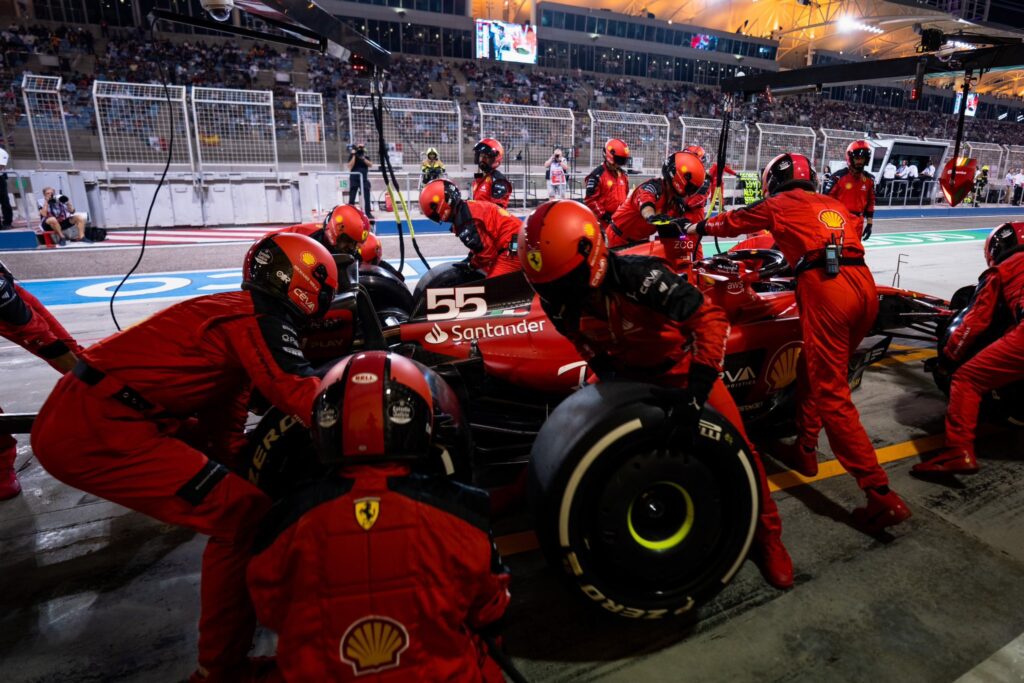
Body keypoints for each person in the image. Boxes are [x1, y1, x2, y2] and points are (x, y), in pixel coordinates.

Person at [31, 233, 339, 682]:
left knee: (245, 497)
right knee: (240, 514)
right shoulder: (256, 319)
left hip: (97, 413)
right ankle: (221, 670)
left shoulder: (233, 318)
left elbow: (224, 436)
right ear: (302, 283)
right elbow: (308, 398)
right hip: (98, 428)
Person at [519, 199, 793, 588]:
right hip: (623, 377)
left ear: (591, 255)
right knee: (566, 436)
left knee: (742, 451)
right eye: (545, 286)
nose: (556, 294)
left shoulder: (641, 277)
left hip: (681, 372)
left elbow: (711, 321)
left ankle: (768, 538)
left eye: (563, 282)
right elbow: (583, 345)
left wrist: (698, 392)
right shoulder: (555, 301)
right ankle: (541, 492)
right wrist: (607, 375)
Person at [247, 351, 511, 682]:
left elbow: (270, 608)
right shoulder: (462, 512)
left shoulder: (284, 522)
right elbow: (491, 606)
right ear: (419, 422)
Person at [689, 153, 912, 533]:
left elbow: (733, 223)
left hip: (827, 288)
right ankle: (806, 449)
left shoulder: (779, 203)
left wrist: (697, 228)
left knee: (832, 394)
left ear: (775, 180)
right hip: (863, 285)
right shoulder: (833, 202)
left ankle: (880, 495)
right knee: (816, 364)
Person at [912, 222, 1024, 476]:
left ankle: (957, 452)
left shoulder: (1004, 269)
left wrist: (948, 361)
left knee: (967, 380)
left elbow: (975, 322)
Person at [0, 258, 82, 499]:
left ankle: (128, 408)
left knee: (76, 357)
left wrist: (89, 378)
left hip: (7, 298)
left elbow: (36, 332)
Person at [607, 151, 707, 268]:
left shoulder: (676, 203)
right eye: (691, 188)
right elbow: (646, 204)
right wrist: (651, 216)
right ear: (679, 179)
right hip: (618, 240)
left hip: (639, 243)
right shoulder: (652, 187)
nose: (691, 193)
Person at [421, 179, 522, 278]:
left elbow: (487, 255)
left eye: (433, 214)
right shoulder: (466, 209)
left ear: (441, 206)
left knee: (493, 288)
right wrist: (470, 258)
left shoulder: (465, 221)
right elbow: (481, 243)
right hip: (516, 239)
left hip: (514, 245)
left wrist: (471, 265)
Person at [822, 140, 876, 240]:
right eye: (857, 158)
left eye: (862, 158)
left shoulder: (870, 180)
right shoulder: (837, 177)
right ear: (850, 158)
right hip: (838, 222)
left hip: (858, 223)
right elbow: (826, 201)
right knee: (835, 253)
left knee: (855, 253)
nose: (860, 162)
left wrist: (869, 224)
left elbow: (871, 203)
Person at [277, 204, 370, 257]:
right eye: (348, 241)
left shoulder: (353, 253)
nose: (351, 248)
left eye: (355, 244)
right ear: (337, 229)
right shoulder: (301, 235)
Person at [583, 138, 631, 233]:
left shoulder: (624, 175)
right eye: (618, 160)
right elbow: (590, 199)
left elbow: (625, 195)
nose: (619, 164)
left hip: (619, 221)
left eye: (622, 161)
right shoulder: (597, 175)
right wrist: (604, 216)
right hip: (602, 223)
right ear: (609, 156)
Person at [471, 138, 512, 209]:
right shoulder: (479, 178)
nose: (482, 160)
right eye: (481, 156)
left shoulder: (499, 181)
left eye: (486, 157)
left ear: (495, 159)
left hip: (489, 219)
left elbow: (497, 211)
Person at [347, 143, 374, 219]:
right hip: (354, 179)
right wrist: (354, 155)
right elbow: (350, 166)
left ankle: (368, 213)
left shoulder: (365, 156)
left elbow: (370, 165)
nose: (360, 149)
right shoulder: (352, 156)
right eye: (359, 147)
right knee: (352, 197)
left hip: (364, 179)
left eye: (362, 147)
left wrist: (363, 158)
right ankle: (350, 213)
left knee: (367, 197)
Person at [0, 146, 12, 228]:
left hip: (1, 179)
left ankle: (7, 223)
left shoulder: (2, 152)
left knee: (5, 202)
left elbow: (2, 165)